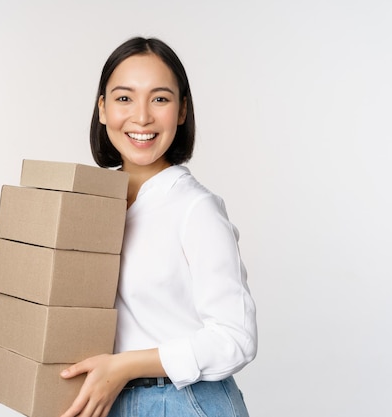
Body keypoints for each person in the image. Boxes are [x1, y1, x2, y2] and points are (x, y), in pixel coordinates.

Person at [59, 37, 257, 417]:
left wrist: (124, 366)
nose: (142, 116)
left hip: (184, 402)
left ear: (182, 111)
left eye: (160, 99)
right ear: (102, 109)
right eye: (124, 98)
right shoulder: (90, 206)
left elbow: (237, 338)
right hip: (109, 400)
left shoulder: (195, 208)